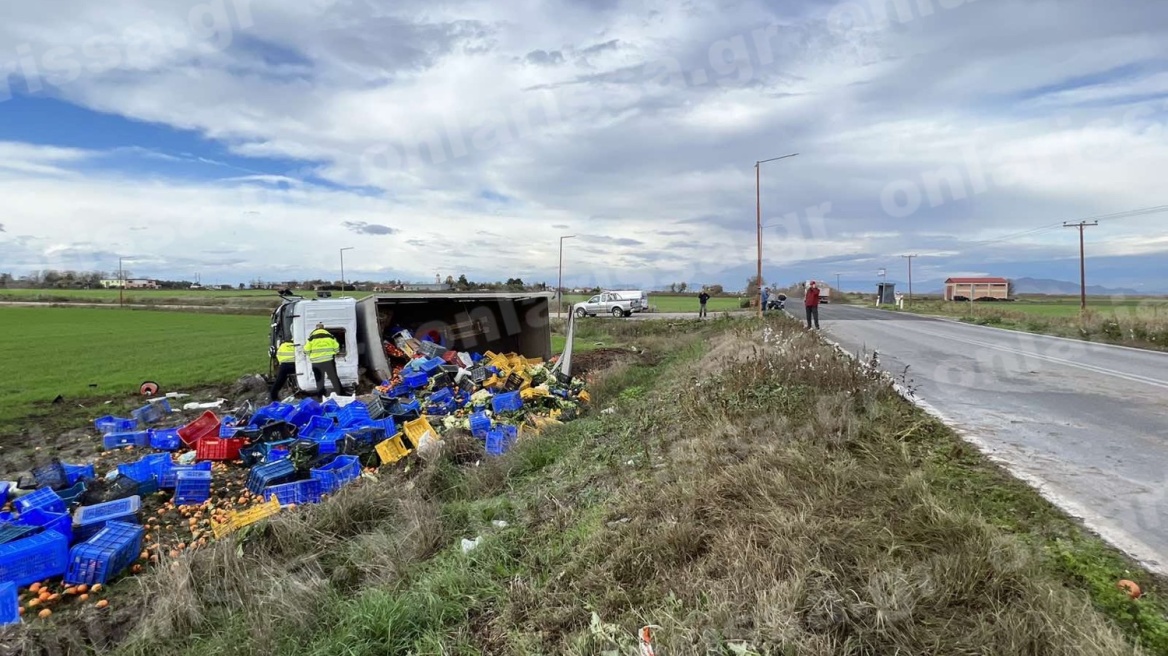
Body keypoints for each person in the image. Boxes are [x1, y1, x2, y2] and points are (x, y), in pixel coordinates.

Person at [305, 323, 346, 398]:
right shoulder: (330, 336)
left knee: (319, 379)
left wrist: (312, 355)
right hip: (328, 361)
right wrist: (333, 353)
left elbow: (306, 350)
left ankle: (321, 396)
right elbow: (337, 348)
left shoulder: (311, 338)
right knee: (334, 378)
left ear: (316, 329)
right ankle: (341, 393)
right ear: (323, 328)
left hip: (316, 362)